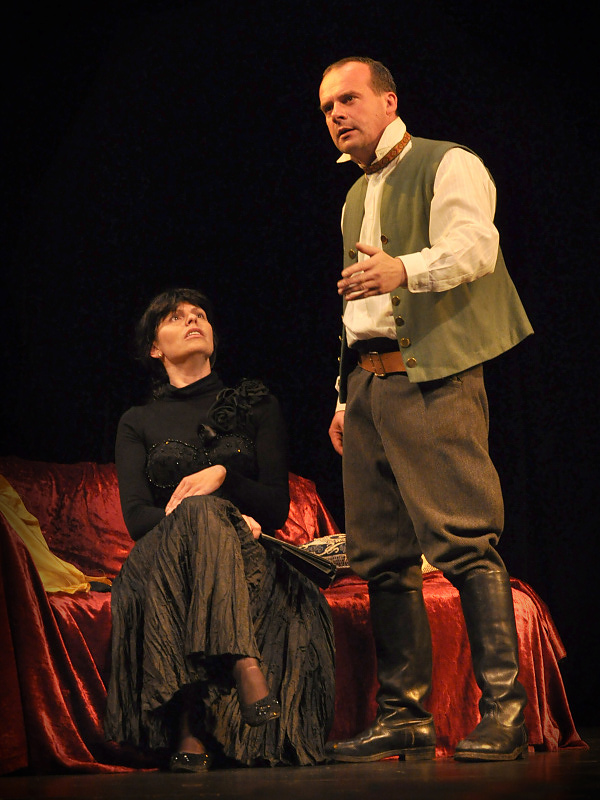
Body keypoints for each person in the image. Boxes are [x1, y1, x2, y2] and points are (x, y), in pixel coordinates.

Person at [318, 57, 533, 763]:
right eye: (327, 108)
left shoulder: (447, 163)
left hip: (433, 374)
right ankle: (404, 716)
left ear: (388, 101)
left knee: (465, 539)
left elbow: (475, 248)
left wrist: (404, 268)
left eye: (349, 99)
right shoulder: (354, 194)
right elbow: (356, 308)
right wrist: (345, 397)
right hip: (370, 386)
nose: (337, 114)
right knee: (381, 556)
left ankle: (504, 712)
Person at [104, 288, 335, 771]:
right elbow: (138, 520)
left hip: (248, 555)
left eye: (200, 315)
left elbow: (274, 508)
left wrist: (224, 476)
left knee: (208, 514)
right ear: (154, 348)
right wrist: (215, 517)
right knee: (202, 514)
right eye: (175, 317)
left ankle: (190, 726)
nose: (193, 320)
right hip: (161, 561)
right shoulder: (136, 422)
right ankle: (243, 663)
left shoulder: (256, 405)